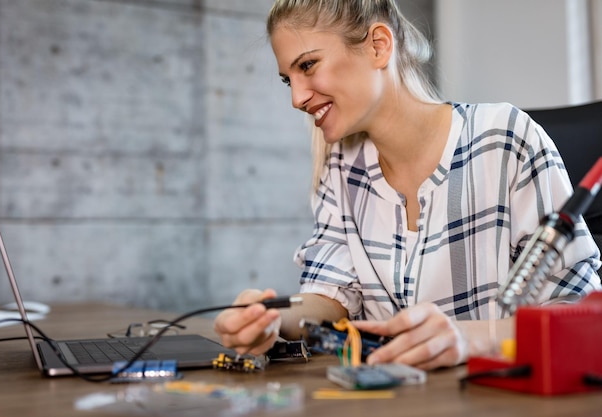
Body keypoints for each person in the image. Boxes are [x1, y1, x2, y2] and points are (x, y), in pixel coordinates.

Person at [213, 0, 602, 370]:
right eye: (288, 80)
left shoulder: (504, 139)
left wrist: (471, 339)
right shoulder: (342, 168)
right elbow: (331, 297)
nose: (297, 98)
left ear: (379, 46)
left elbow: (584, 315)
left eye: (309, 65)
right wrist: (268, 317)